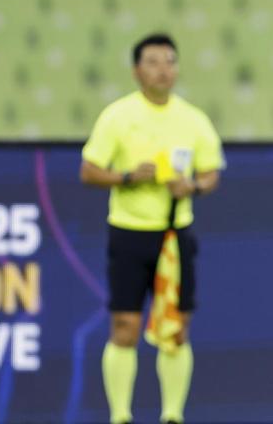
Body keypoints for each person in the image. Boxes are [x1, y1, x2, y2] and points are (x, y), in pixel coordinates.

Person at [80, 35, 224, 424]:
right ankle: (120, 416)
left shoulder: (193, 118)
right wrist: (127, 176)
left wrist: (191, 185)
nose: (164, 69)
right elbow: (89, 170)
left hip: (175, 236)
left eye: (170, 61)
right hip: (128, 232)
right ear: (136, 70)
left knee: (175, 328)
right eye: (154, 62)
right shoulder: (117, 115)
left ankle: (172, 415)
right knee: (124, 324)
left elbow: (211, 174)